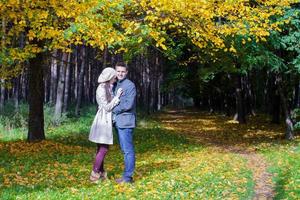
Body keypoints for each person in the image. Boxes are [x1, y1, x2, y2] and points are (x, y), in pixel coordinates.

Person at [88, 67, 123, 183]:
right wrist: (117, 96)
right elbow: (107, 107)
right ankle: (94, 173)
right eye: (114, 77)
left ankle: (101, 173)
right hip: (102, 121)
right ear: (109, 77)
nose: (115, 78)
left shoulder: (107, 87)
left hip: (105, 120)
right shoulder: (101, 89)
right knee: (104, 148)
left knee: (100, 148)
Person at [113, 62, 137, 184]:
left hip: (126, 122)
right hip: (118, 122)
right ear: (115, 71)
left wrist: (114, 110)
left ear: (126, 72)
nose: (120, 73)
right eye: (118, 71)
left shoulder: (130, 85)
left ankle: (128, 178)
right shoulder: (115, 84)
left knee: (128, 150)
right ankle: (125, 176)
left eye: (123, 71)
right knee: (124, 149)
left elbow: (128, 104)